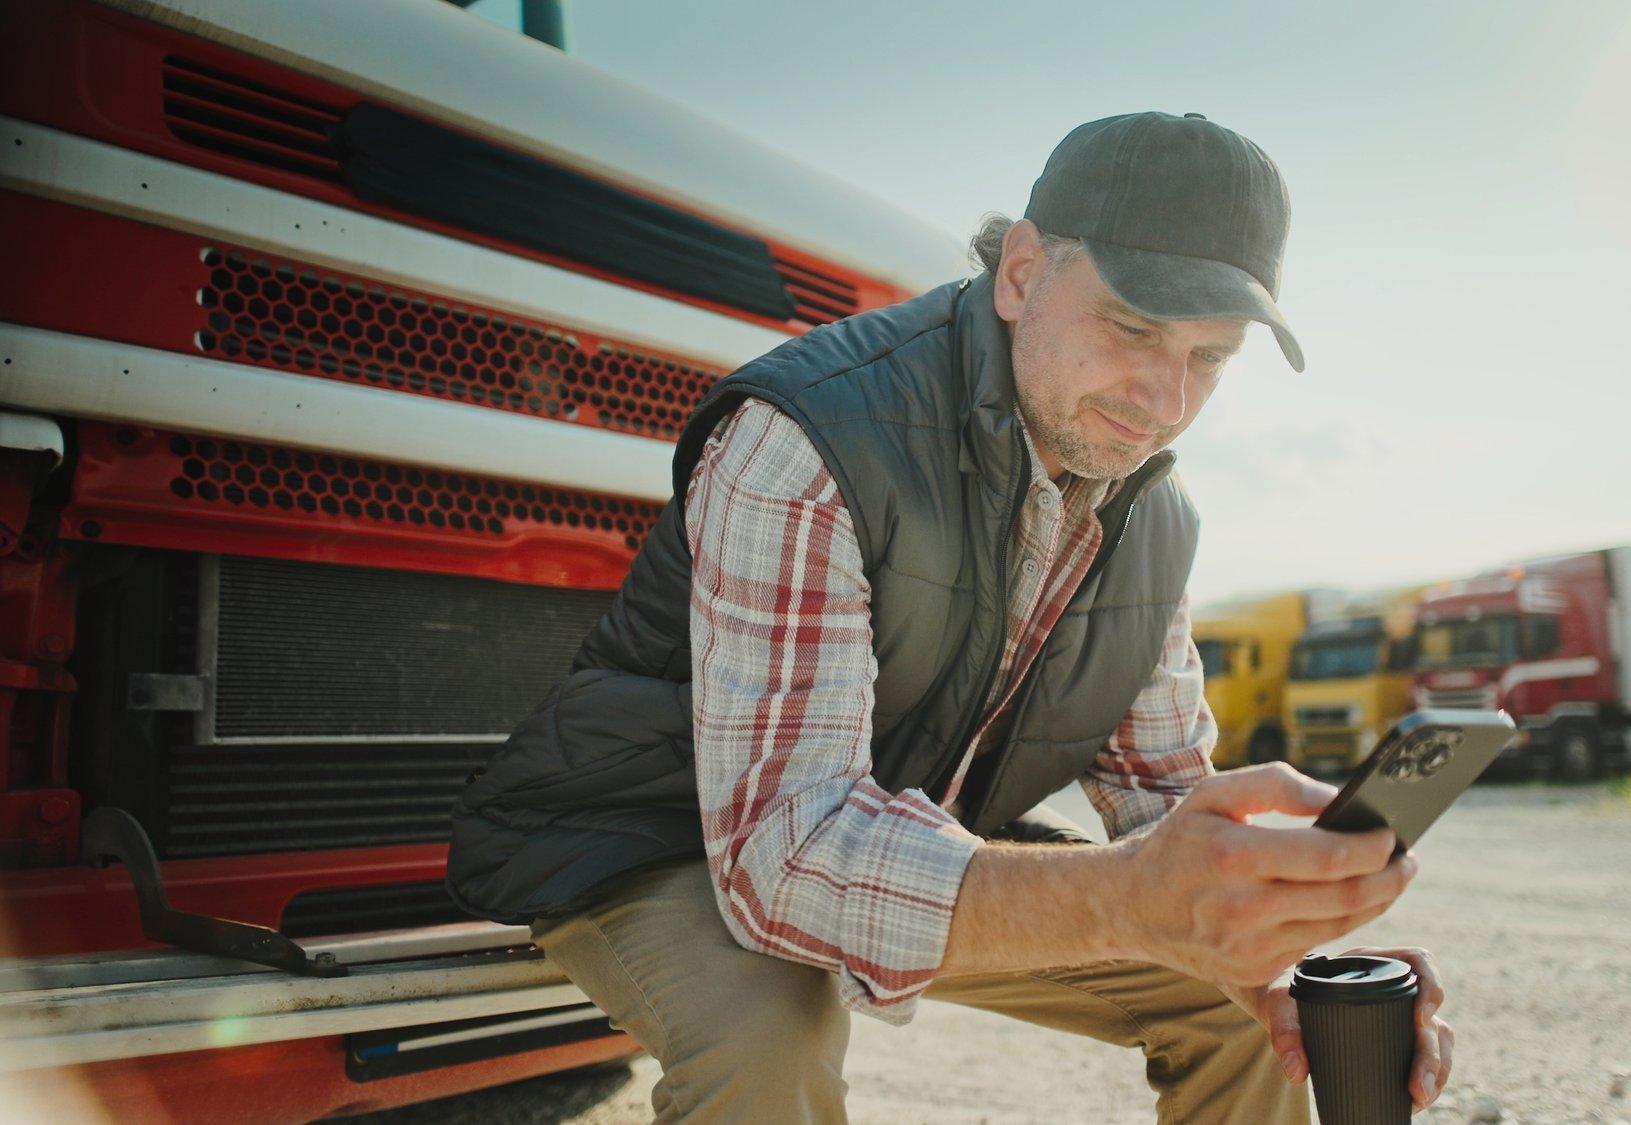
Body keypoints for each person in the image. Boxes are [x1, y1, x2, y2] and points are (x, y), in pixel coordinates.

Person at [448, 111, 1455, 1123]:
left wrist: (1275, 948)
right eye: (1133, 327)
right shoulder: (808, 435)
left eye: (1209, 358)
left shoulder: (1149, 507)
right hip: (654, 839)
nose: (1161, 399)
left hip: (896, 833)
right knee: (766, 1033)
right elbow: (780, 862)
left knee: (1245, 1009)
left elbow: (1163, 804)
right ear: (1019, 271)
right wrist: (1126, 898)